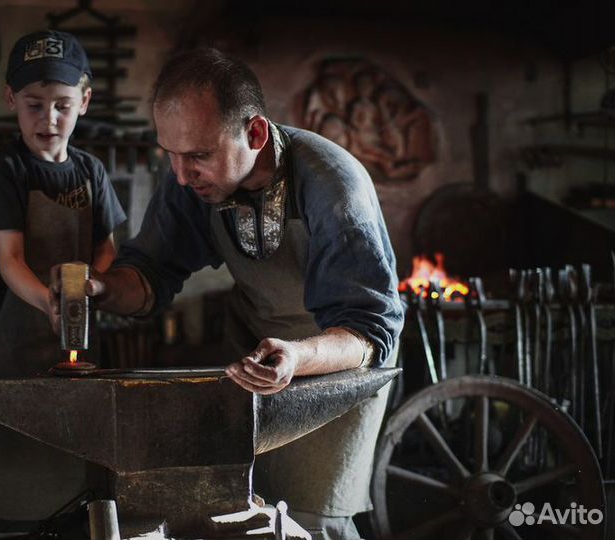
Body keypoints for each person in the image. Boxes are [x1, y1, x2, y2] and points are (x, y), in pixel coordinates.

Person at [50, 47, 403, 540]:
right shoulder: (191, 182)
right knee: (247, 515)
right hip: (258, 364)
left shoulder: (332, 186)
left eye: (197, 155)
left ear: (255, 133)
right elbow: (150, 272)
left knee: (314, 521)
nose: (179, 174)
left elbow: (370, 333)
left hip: (338, 370)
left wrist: (297, 357)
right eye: (169, 155)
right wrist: (100, 289)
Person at [0, 30, 126, 525]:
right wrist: (52, 304)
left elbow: (107, 247)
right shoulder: (7, 169)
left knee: (73, 456)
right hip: (15, 333)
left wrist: (91, 286)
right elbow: (10, 259)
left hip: (76, 330)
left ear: (85, 101)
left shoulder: (91, 171)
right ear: (11, 99)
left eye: (62, 105)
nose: (48, 119)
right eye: (34, 104)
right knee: (14, 465)